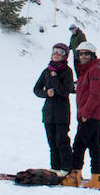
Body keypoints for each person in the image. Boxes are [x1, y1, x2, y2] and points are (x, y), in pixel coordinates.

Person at [33, 42, 76, 175]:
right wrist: (46, 93)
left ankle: (66, 168)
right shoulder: (47, 71)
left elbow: (65, 91)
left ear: (65, 56)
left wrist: (55, 79)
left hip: (61, 112)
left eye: (60, 52)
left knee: (61, 141)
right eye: (54, 51)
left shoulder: (67, 71)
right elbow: (36, 89)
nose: (56, 54)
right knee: (52, 142)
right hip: (48, 113)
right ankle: (55, 168)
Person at [71, 41, 100, 188]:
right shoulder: (85, 71)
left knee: (79, 144)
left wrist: (86, 113)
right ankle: (96, 177)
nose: (83, 56)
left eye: (86, 53)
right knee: (93, 145)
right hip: (90, 114)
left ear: (92, 55)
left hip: (91, 115)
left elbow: (94, 94)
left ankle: (75, 176)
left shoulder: (96, 70)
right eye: (81, 54)